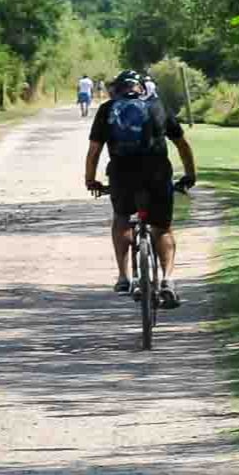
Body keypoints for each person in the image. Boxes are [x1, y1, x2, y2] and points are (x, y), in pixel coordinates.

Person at [84, 69, 195, 307]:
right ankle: (167, 280)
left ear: (117, 89)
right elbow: (182, 144)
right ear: (142, 89)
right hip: (156, 173)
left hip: (122, 175)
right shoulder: (158, 107)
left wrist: (90, 180)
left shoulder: (108, 110)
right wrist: (189, 175)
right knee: (162, 229)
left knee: (122, 219)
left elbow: (94, 152)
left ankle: (124, 277)